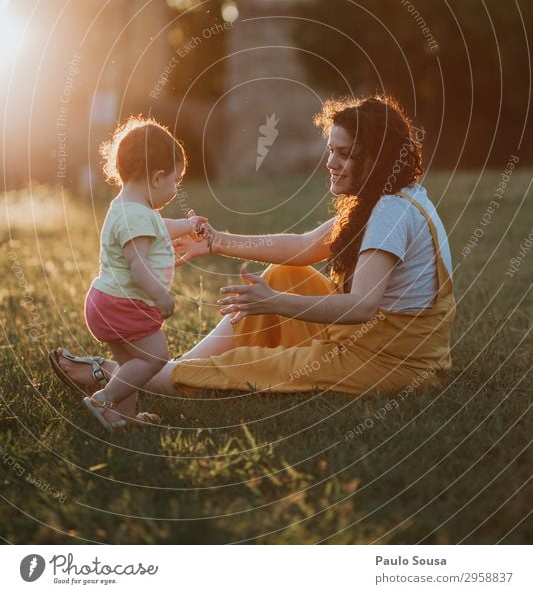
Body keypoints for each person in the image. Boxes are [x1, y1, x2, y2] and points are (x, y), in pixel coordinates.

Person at [50, 95, 456, 410]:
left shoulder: (390, 212)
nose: (330, 162)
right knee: (283, 271)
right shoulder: (388, 198)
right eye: (331, 149)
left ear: (377, 158)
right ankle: (175, 372)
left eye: (345, 153)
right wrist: (216, 241)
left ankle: (108, 372)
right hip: (370, 339)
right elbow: (303, 247)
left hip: (389, 361)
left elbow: (363, 307)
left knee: (246, 366)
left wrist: (274, 303)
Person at [58, 116, 207, 431]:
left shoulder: (130, 207)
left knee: (131, 364)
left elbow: (160, 227)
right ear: (157, 178)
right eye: (175, 181)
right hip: (124, 303)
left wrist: (187, 227)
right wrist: (160, 295)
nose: (175, 188)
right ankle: (104, 399)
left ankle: (121, 417)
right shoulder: (136, 216)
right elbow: (138, 264)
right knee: (155, 359)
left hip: (108, 302)